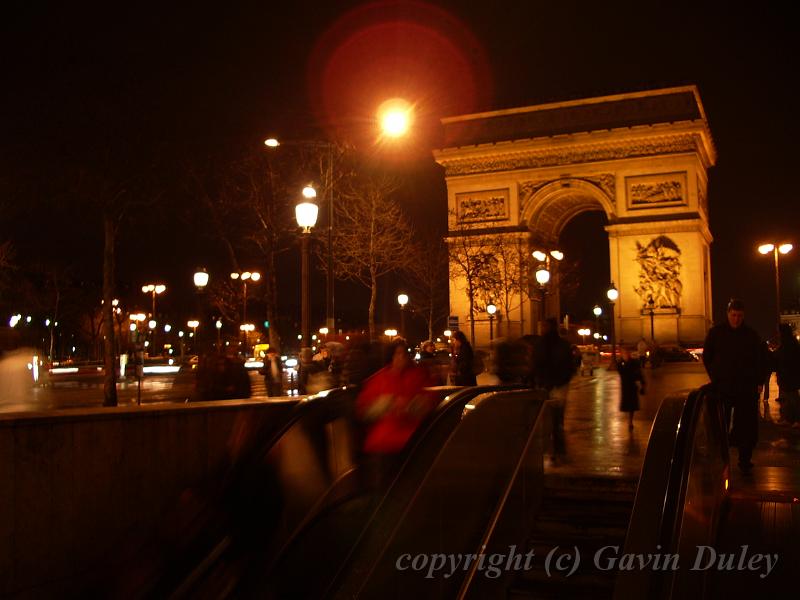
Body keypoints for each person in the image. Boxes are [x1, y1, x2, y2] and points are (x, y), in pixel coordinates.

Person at [355, 339, 436, 486]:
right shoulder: (379, 379)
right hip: (384, 443)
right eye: (398, 354)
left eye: (404, 354)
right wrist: (383, 404)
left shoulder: (419, 375)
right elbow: (363, 410)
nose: (402, 357)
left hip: (412, 441)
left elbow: (431, 401)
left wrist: (414, 405)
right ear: (390, 357)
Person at [702, 298, 770, 472]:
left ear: (743, 315)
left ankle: (744, 460)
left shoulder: (751, 335)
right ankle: (720, 458)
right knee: (720, 426)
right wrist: (715, 377)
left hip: (745, 389)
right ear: (728, 314)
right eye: (734, 315)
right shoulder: (716, 333)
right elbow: (707, 357)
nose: (737, 319)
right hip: (723, 387)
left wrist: (759, 381)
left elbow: (761, 360)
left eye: (740, 316)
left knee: (746, 426)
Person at [533, 318, 576, 461]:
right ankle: (557, 450)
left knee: (551, 420)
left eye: (544, 325)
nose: (541, 328)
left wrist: (547, 382)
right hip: (555, 386)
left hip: (552, 386)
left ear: (550, 327)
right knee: (554, 420)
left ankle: (553, 450)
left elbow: (536, 365)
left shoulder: (540, 345)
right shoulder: (562, 345)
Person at [773, 323, 800, 425]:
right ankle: (789, 419)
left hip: (790, 376)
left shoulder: (790, 344)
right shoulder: (789, 343)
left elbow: (788, 359)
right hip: (786, 376)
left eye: (779, 332)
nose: (778, 334)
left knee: (793, 399)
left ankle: (797, 419)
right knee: (787, 400)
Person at [618, 347, 645, 431]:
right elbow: (621, 372)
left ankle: (630, 421)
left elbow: (639, 374)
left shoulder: (634, 362)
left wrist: (642, 385)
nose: (625, 354)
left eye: (627, 352)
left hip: (632, 386)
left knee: (631, 406)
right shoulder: (620, 363)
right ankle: (629, 420)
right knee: (628, 405)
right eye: (624, 353)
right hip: (625, 386)